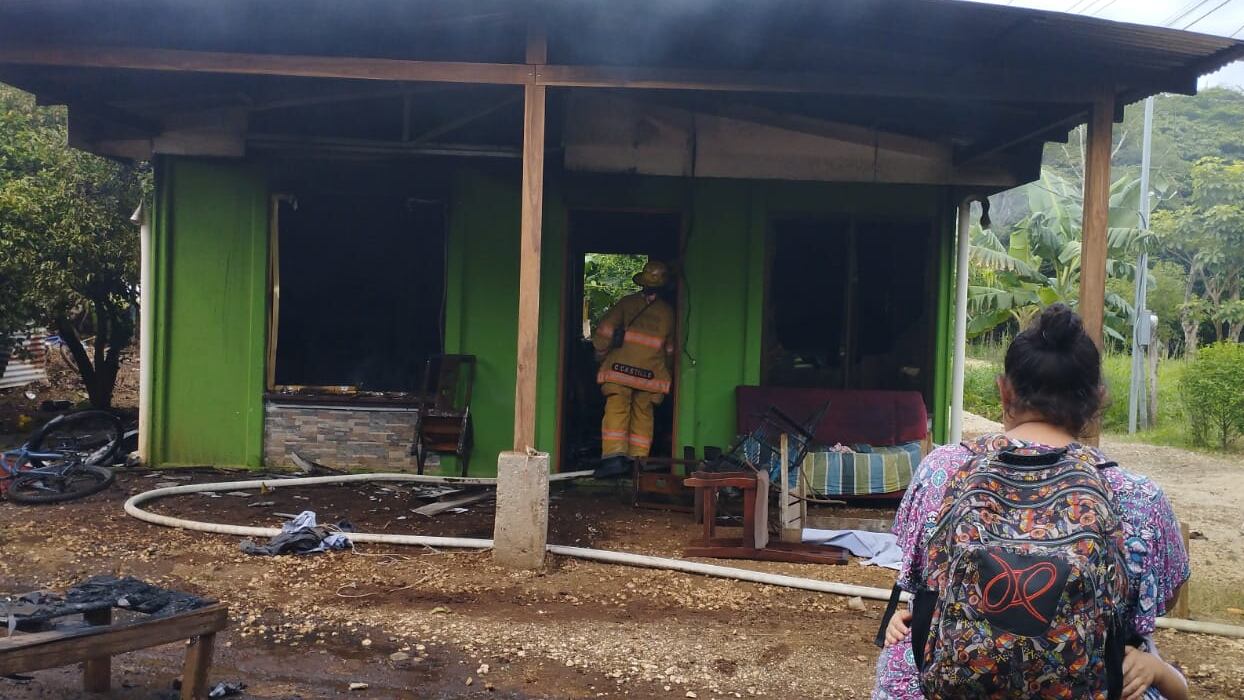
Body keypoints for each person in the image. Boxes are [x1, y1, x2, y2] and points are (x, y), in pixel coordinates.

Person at [873, 304, 1190, 700]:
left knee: (901, 656)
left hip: (951, 682)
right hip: (1085, 683)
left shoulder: (943, 469)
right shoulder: (1139, 496)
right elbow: (1158, 601)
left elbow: (919, 578)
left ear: (1004, 389)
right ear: (1098, 399)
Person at [591, 260, 675, 478]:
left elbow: (605, 331)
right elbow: (670, 351)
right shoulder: (668, 314)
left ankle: (613, 459)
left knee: (616, 412)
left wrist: (600, 353)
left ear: (642, 283)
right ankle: (638, 462)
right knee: (643, 416)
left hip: (619, 373)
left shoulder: (626, 304)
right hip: (650, 376)